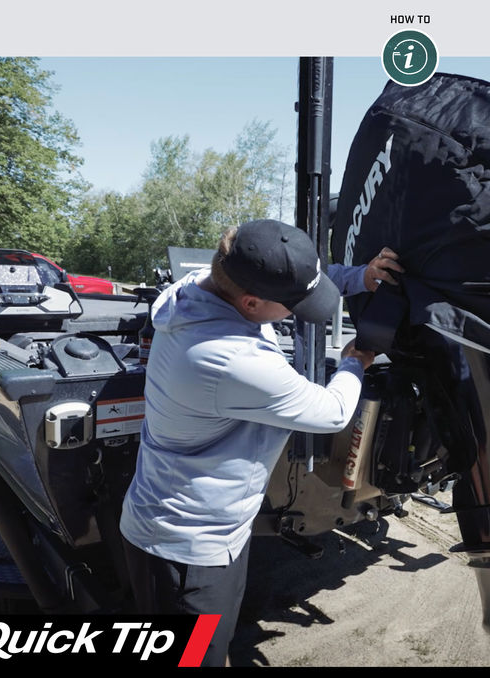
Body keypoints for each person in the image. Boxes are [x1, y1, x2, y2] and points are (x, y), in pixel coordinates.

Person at [118, 218, 402, 666]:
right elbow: (330, 412)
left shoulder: (203, 284)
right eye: (293, 305)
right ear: (251, 303)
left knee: (216, 643)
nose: (299, 311)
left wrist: (359, 277)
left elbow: (296, 278)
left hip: (219, 531)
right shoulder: (228, 357)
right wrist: (355, 363)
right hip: (185, 547)